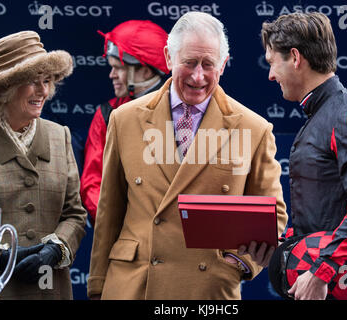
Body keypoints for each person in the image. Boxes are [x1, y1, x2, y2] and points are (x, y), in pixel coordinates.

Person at [87, 11, 288, 300]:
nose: (198, 76)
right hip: (133, 287)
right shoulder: (124, 119)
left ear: (223, 65)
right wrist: (97, 286)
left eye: (208, 64)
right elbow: (109, 212)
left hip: (207, 292)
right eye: (189, 63)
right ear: (169, 58)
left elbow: (272, 215)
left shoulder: (253, 128)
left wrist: (237, 263)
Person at [261, 12, 347, 300]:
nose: (271, 75)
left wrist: (322, 269)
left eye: (272, 62)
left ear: (296, 58)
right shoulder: (323, 114)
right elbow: (322, 219)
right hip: (331, 281)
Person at [0, 31, 87, 299]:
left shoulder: (60, 136)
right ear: (4, 88)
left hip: (50, 290)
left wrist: (56, 249)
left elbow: (74, 213)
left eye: (47, 81)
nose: (44, 91)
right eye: (33, 82)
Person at [80, 20, 170, 225]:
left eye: (118, 68)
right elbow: (92, 184)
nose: (111, 75)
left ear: (146, 71)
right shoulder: (107, 113)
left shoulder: (184, 113)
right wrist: (119, 224)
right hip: (124, 234)